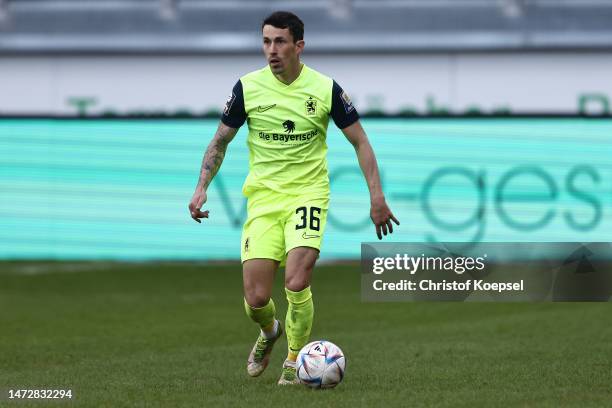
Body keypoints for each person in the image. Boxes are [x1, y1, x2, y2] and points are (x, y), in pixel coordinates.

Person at [188, 10, 399, 385]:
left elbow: (360, 141)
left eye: (280, 41)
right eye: (267, 41)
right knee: (255, 299)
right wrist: (202, 185)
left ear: (299, 46)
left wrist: (376, 197)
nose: (272, 50)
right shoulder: (247, 88)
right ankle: (269, 332)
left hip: (308, 195)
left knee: (297, 281)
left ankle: (294, 361)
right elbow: (220, 140)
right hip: (264, 201)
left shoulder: (325, 89)